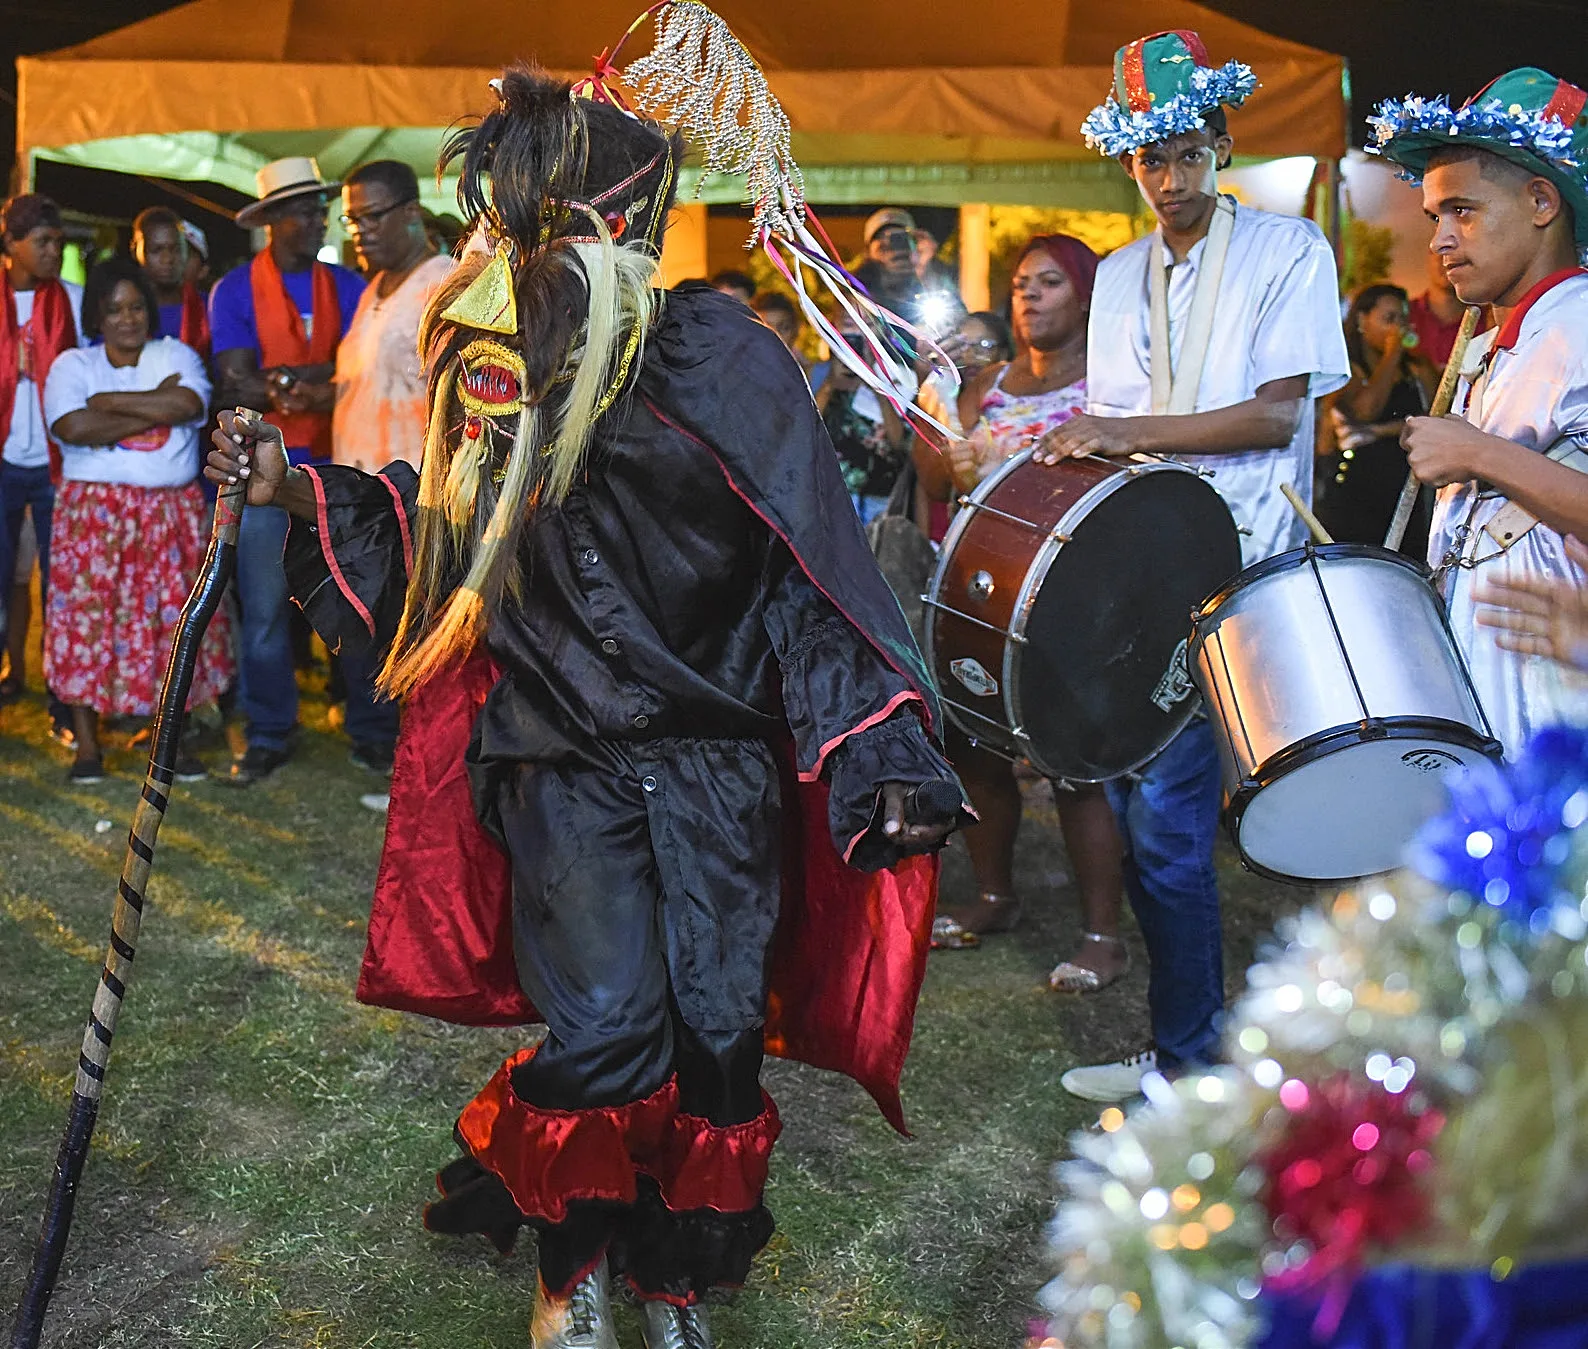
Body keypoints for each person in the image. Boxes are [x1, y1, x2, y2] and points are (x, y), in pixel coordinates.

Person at [205, 58, 965, 1349]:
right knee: (608, 1023)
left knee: (719, 1036)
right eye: (507, 229)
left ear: (624, 231)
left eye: (539, 226)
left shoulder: (728, 357)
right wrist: (291, 488)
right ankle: (574, 1272)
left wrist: (877, 737)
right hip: (561, 754)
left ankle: (672, 1279)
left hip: (718, 767)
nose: (511, 253)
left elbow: (809, 572)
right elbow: (437, 537)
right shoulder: (493, 368)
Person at [1036, 30, 1349, 1101]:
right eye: (1146, 161)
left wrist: (1116, 433)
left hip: (1250, 571)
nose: (1167, 180)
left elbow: (1273, 414)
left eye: (1182, 154)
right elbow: (1119, 432)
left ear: (1219, 141)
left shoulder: (1290, 250)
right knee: (1152, 820)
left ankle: (1200, 1057)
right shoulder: (1117, 274)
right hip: (1148, 574)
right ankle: (1194, 1049)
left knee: (1189, 822)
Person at [924, 235, 1130, 994]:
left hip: (1069, 602)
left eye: (1050, 282)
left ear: (1085, 297)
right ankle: (993, 896)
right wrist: (932, 400)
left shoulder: (1115, 390)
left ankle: (1103, 935)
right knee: (977, 752)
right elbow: (935, 480)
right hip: (980, 597)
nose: (1030, 296)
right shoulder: (988, 385)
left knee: (1073, 767)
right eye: (1020, 284)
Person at [1371, 66, 1588, 756]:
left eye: (1462, 210)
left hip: (1560, 699)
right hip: (1502, 681)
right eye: (1435, 216)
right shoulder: (1507, 335)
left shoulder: (1581, 326)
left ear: (1541, 203)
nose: (1438, 240)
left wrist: (1478, 453)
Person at [209, 157, 365, 784]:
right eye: (303, 210)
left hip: (340, 467)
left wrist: (284, 381)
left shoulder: (348, 284)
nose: (316, 219)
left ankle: (367, 724)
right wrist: (308, 380)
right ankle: (271, 729)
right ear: (272, 221)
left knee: (353, 603)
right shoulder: (234, 290)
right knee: (268, 611)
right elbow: (234, 376)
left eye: (320, 209)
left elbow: (358, 368)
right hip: (264, 477)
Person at [41, 257, 227, 782]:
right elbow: (72, 425)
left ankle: (172, 742)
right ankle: (88, 747)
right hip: (93, 518)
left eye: (137, 307)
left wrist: (107, 404)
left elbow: (189, 401)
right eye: (114, 309)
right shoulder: (72, 366)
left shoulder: (178, 355)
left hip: (169, 514)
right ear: (96, 316)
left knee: (174, 625)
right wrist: (154, 404)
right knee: (88, 622)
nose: (128, 318)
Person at [295, 159, 453, 775]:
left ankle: (408, 753)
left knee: (411, 630)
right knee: (371, 623)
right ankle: (375, 740)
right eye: (352, 219)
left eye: (372, 216)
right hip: (362, 491)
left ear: (412, 212)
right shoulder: (372, 291)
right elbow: (360, 384)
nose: (359, 231)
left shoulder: (444, 284)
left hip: (415, 490)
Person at [0, 194, 83, 717]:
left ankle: (62, 696)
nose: (54, 251)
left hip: (59, 465)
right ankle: (11, 674)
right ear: (11, 243)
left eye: (59, 241)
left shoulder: (73, 300)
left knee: (60, 584)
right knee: (5, 581)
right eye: (43, 242)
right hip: (4, 462)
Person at [1316, 283, 1437, 552]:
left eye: (1403, 318)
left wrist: (1381, 431)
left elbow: (1434, 421)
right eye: (1389, 319)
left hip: (1404, 494)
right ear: (1362, 320)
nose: (1398, 327)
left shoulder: (1418, 369)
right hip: (1354, 497)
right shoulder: (1346, 370)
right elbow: (1365, 410)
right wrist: (1393, 352)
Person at [814, 321, 911, 523]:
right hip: (834, 494)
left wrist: (874, 382)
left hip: (882, 494)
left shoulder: (900, 377)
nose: (858, 334)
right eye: (849, 324)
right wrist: (830, 382)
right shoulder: (818, 373)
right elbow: (805, 431)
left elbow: (899, 442)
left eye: (865, 324)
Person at [132, 206, 210, 357]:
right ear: (136, 251)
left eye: (175, 249)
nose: (167, 259)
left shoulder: (208, 308)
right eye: (156, 250)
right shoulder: (122, 313)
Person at [1408, 241, 1469, 367]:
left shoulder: (1488, 321)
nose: (1448, 263)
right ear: (1429, 259)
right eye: (1441, 254)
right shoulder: (1405, 316)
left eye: (1457, 256)